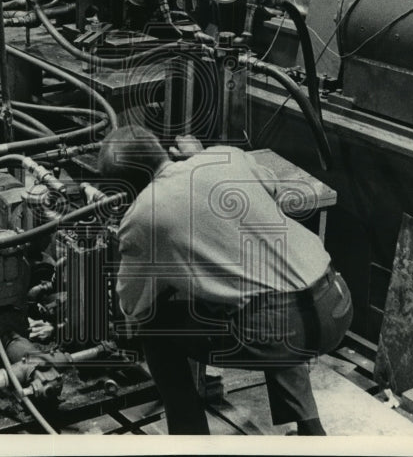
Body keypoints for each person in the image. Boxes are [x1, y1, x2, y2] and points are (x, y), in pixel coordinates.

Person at [98, 125, 352, 435]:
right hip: (336, 301)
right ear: (162, 149)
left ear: (124, 190)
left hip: (283, 333)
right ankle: (311, 431)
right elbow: (271, 190)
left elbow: (131, 306)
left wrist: (179, 277)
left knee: (154, 326)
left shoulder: (142, 215)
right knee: (265, 282)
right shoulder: (226, 156)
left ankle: (192, 442)